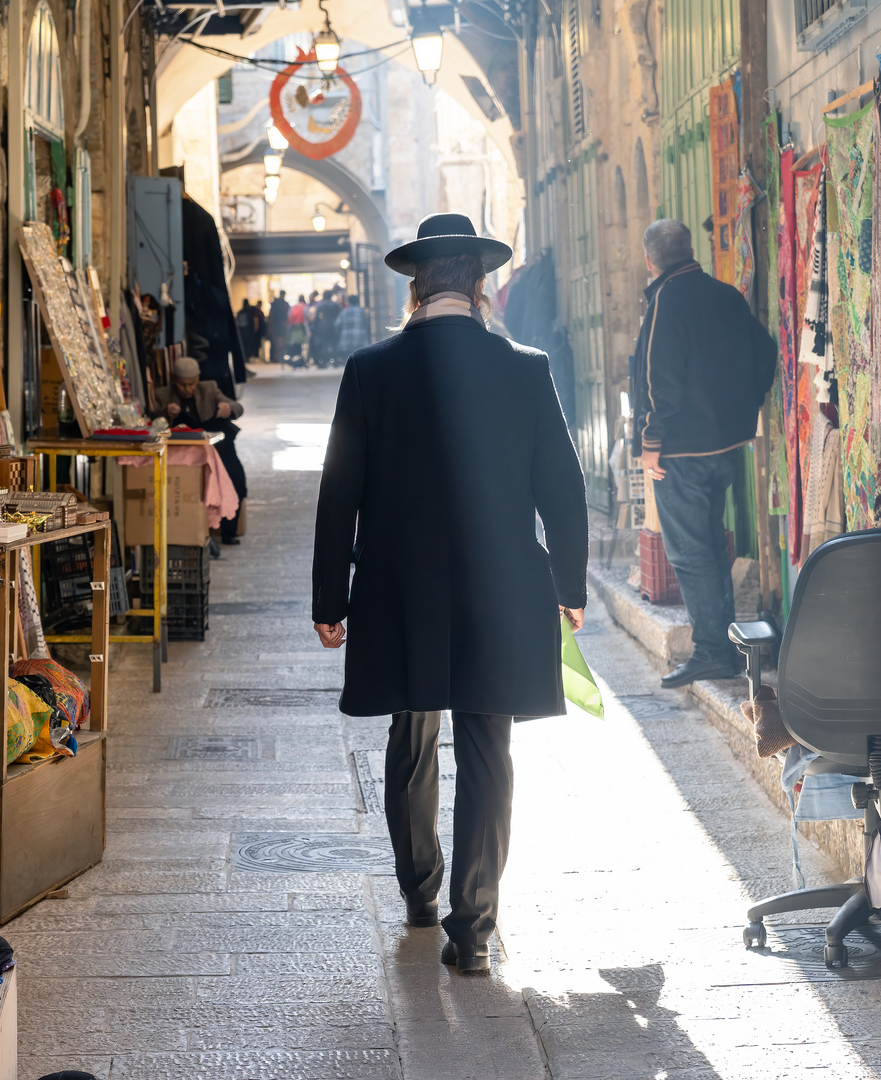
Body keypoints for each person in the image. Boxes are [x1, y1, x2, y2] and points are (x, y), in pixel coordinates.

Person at [312, 213, 588, 975]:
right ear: (480, 285)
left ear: (413, 288)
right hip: (500, 585)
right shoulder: (525, 367)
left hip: (400, 584)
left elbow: (340, 493)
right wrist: (570, 584)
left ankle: (419, 892)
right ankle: (474, 930)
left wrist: (329, 599)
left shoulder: (370, 370)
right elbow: (562, 489)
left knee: (413, 727)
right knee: (488, 744)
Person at [631, 220, 776, 689]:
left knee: (692, 553)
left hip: (680, 454)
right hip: (724, 449)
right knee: (712, 545)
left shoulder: (665, 301)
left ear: (651, 260)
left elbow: (659, 382)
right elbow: (765, 352)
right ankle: (725, 649)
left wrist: (650, 444)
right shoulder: (725, 294)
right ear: (689, 249)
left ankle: (714, 652)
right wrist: (740, 413)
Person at [152, 355, 249, 544]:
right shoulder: (163, 395)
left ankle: (229, 531)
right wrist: (164, 413)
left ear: (198, 378)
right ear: (175, 381)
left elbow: (237, 406)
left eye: (192, 384)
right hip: (183, 453)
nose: (188, 389)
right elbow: (151, 419)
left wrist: (228, 408)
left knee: (235, 478)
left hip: (217, 446)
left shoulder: (209, 389)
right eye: (183, 385)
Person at [268, 290, 290, 364]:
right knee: (281, 342)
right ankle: (279, 357)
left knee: (276, 342)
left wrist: (270, 325)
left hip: (276, 325)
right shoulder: (285, 304)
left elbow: (271, 315)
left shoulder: (275, 303)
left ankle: (275, 357)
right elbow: (287, 315)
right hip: (281, 326)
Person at [287, 294, 308, 365]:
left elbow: (289, 316)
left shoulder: (294, 307)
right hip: (301, 328)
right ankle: (301, 361)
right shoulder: (305, 307)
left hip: (293, 329)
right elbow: (307, 318)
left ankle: (294, 360)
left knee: (295, 345)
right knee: (302, 345)